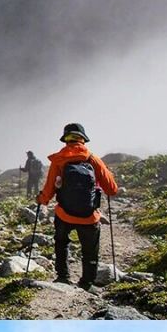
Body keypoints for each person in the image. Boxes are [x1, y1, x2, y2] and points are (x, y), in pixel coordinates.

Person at [37, 123, 118, 288]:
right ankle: (87, 282)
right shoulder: (92, 159)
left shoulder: (59, 160)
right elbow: (112, 189)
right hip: (89, 216)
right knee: (90, 250)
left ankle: (63, 277)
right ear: (83, 139)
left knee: (61, 243)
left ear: (66, 139)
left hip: (64, 213)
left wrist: (41, 200)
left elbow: (49, 188)